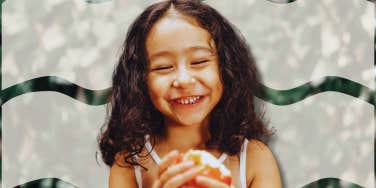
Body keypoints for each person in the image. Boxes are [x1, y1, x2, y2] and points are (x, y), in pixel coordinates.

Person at [98, 0, 282, 187]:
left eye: (199, 62)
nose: (184, 80)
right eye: (164, 67)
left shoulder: (255, 159)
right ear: (139, 80)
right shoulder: (129, 165)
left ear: (227, 68)